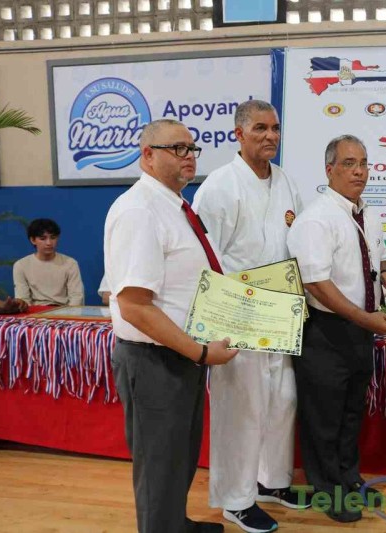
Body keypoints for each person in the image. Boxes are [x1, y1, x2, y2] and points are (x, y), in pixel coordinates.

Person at [104, 118, 239, 533]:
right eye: (177, 149)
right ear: (147, 155)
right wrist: (200, 351)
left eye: (192, 148)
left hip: (180, 354)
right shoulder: (140, 211)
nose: (189, 157)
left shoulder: (175, 206)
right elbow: (133, 306)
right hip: (155, 359)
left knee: (178, 456)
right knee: (159, 463)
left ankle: (174, 523)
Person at [192, 99, 306, 533]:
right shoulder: (219, 186)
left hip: (282, 311)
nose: (270, 136)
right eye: (260, 128)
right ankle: (235, 500)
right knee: (242, 410)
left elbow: (296, 243)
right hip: (238, 313)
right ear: (238, 134)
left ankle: (271, 481)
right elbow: (207, 258)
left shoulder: (286, 182)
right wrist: (222, 318)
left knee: (282, 400)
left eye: (275, 128)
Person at [287, 134, 386, 523]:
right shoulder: (316, 219)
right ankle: (327, 491)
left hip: (360, 330)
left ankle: (349, 480)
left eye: (364, 163)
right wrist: (364, 318)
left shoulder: (368, 214)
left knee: (352, 412)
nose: (359, 171)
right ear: (329, 170)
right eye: (349, 164)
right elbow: (316, 283)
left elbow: (380, 260)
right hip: (325, 330)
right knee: (324, 417)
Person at [13, 218, 84, 306]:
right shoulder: (21, 265)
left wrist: (70, 313)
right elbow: (23, 300)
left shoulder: (70, 263)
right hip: (36, 311)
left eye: (53, 238)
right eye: (43, 238)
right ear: (33, 240)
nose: (49, 243)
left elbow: (76, 297)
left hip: (64, 310)